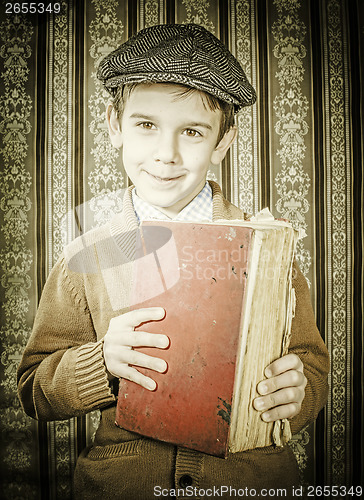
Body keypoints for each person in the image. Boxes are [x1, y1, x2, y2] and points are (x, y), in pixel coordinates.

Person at [17, 23, 329, 499]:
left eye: (192, 131)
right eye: (146, 125)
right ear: (114, 126)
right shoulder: (89, 252)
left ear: (222, 143)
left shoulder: (269, 248)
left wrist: (297, 392)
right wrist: (101, 364)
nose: (166, 154)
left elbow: (312, 366)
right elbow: (34, 387)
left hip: (251, 481)